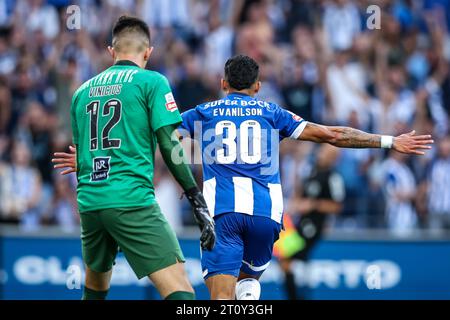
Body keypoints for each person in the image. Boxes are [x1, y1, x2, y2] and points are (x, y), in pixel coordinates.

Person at [54, 54, 433, 300]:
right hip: (267, 218)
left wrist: (91, 158)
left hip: (222, 216)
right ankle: (250, 285)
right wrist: (389, 141)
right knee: (249, 286)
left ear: (223, 83)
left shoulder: (205, 112)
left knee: (221, 299)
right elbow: (333, 134)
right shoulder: (273, 113)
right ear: (257, 86)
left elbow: (156, 136)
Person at [52, 16, 215, 300]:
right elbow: (168, 143)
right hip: (131, 200)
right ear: (148, 52)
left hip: (90, 203)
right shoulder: (152, 81)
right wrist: (195, 197)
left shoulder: (81, 93)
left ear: (111, 51)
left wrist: (89, 162)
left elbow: (83, 159)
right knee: (182, 293)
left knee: (95, 291)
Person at [278, 144, 345, 300]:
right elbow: (301, 194)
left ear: (333, 157)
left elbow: (337, 205)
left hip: (314, 226)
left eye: (326, 152)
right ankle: (297, 294)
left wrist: (313, 205)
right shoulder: (312, 171)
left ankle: (295, 296)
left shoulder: (333, 177)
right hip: (300, 224)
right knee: (286, 258)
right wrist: (296, 204)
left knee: (288, 257)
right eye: (322, 150)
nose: (321, 154)